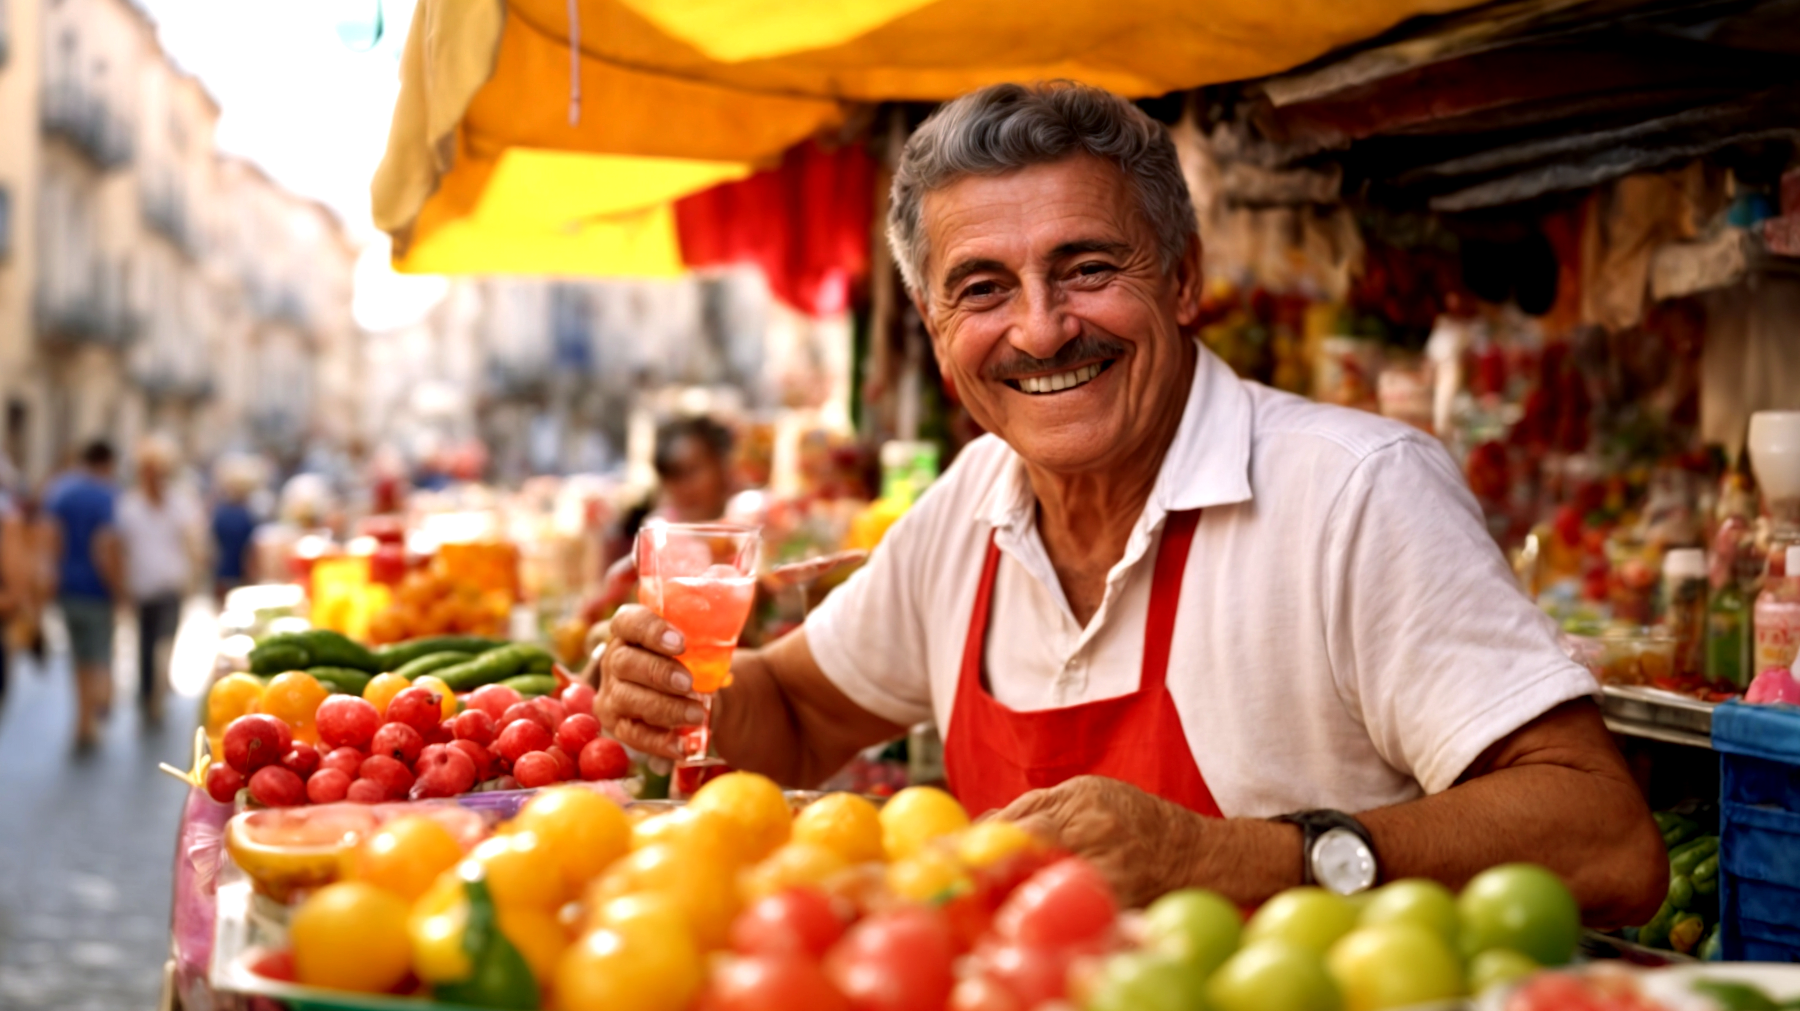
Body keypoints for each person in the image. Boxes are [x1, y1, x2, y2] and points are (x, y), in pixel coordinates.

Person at [594, 82, 1667, 921]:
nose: (1044, 327)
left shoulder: (1353, 494)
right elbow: (790, 714)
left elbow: (1605, 839)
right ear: (932, 328)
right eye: (983, 288)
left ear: (1186, 280)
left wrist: (1237, 859)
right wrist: (678, 690)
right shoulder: (972, 503)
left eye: (1087, 266)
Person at [115, 438, 202, 721]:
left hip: (170, 584)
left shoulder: (179, 503)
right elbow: (120, 547)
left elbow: (191, 540)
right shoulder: (129, 506)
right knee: (145, 644)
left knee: (166, 640)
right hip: (142, 586)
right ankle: (147, 694)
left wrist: (194, 575)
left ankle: (158, 692)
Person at [47, 440, 123, 749]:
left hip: (67, 586)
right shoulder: (108, 495)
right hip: (97, 589)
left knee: (78, 658)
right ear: (107, 463)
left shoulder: (61, 490)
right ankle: (98, 708)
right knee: (100, 654)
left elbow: (49, 537)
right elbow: (105, 547)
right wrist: (119, 588)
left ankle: (82, 721)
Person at [650, 416, 735, 525]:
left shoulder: (749, 522)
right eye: (674, 476)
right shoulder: (658, 534)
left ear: (721, 465)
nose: (685, 488)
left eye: (692, 471)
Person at [210, 458, 262, 603]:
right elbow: (251, 550)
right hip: (240, 573)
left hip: (224, 572)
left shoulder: (220, 513)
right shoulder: (245, 514)